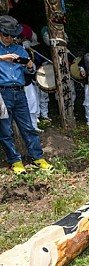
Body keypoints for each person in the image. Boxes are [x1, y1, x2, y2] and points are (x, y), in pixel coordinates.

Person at [0, 15, 53, 174]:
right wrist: (3, 58)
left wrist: (30, 65)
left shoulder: (20, 49)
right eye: (6, 35)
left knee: (28, 127)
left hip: (20, 91)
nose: (10, 38)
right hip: (2, 93)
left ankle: (38, 157)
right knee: (5, 130)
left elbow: (30, 71)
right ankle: (15, 161)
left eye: (12, 35)